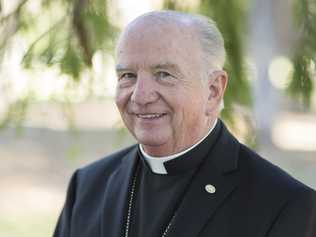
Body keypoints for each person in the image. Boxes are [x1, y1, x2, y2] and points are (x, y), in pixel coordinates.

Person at [53, 11, 316, 237]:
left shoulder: (284, 204)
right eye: (128, 76)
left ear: (213, 91)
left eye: (164, 74)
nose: (140, 96)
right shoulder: (87, 186)